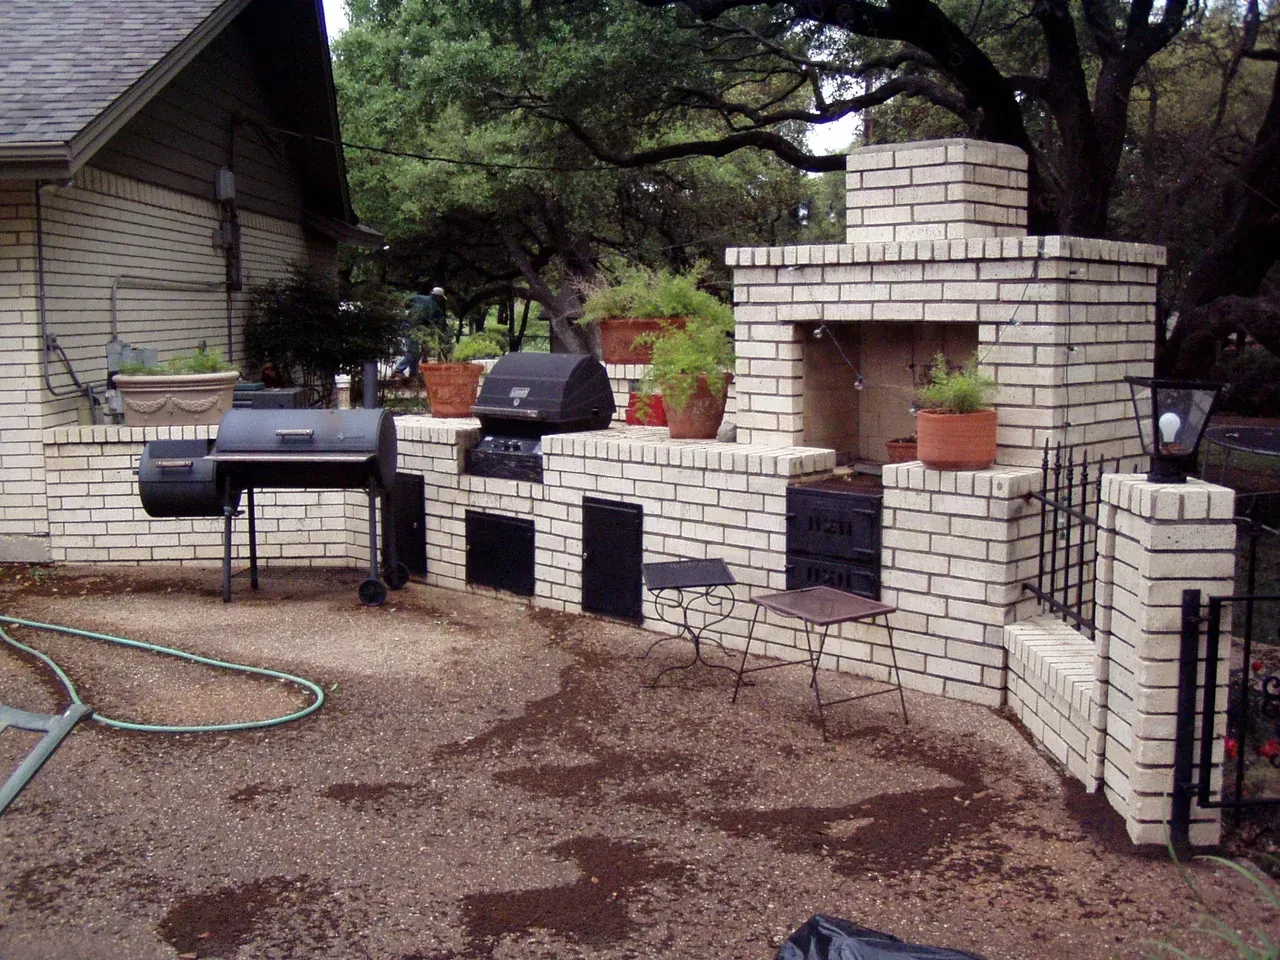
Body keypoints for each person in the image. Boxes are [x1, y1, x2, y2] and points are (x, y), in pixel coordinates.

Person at [392, 287, 448, 380]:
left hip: (407, 325)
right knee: (413, 352)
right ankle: (398, 370)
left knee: (415, 352)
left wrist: (408, 309)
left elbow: (406, 301)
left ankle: (413, 374)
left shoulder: (419, 297)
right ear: (439, 297)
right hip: (416, 329)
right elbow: (442, 324)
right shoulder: (436, 307)